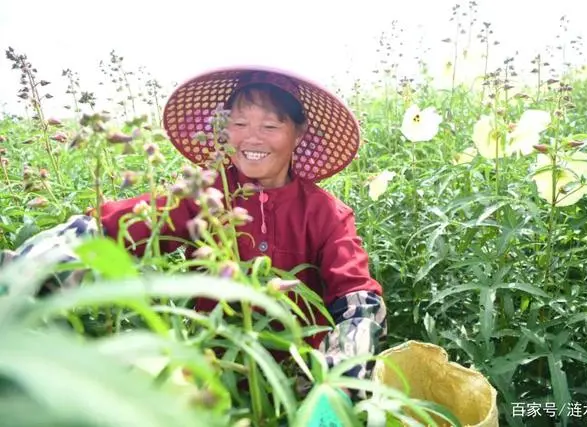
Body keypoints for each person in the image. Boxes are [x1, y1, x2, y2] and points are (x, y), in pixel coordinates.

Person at [1, 66, 387, 407]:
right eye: (238, 124)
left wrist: (341, 375)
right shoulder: (206, 196)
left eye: (270, 126)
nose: (251, 138)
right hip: (217, 383)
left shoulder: (325, 213)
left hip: (306, 386)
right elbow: (115, 227)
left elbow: (357, 296)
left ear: (299, 132)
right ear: (224, 129)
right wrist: (19, 277)